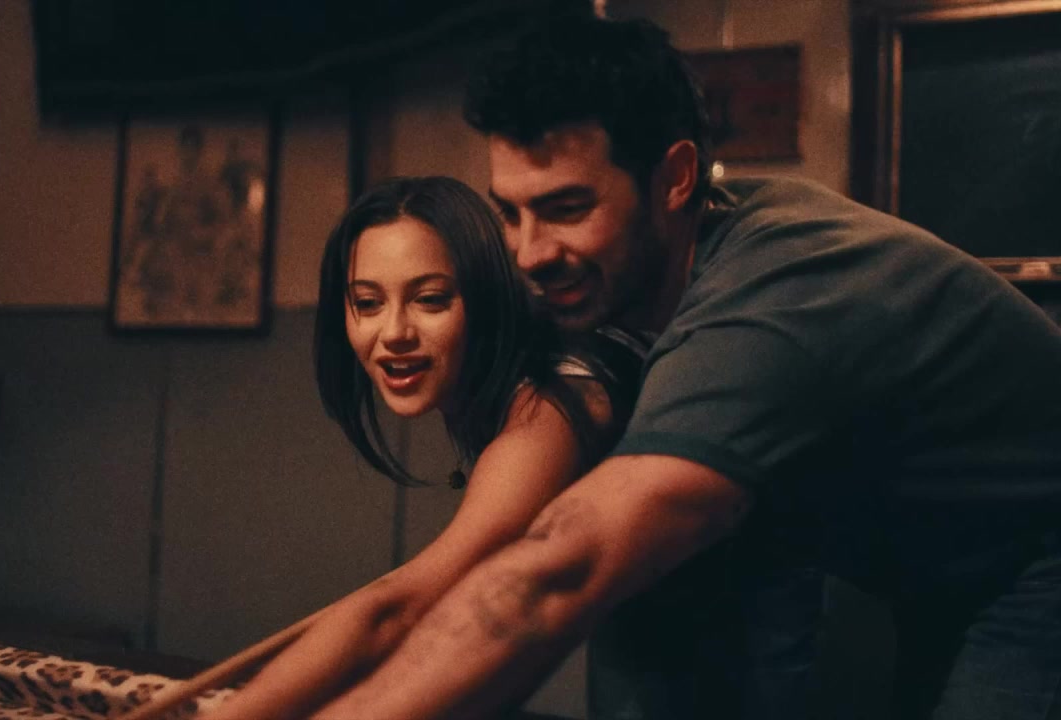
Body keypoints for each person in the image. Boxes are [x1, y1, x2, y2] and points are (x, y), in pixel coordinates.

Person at [307, 9, 1061, 720]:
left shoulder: (765, 299)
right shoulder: (666, 258)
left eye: (567, 208)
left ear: (674, 178)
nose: (529, 253)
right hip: (942, 578)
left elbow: (555, 577)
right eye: (510, 212)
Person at [208, 176, 650, 720]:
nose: (394, 331)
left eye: (431, 300)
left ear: (486, 300)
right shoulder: (502, 383)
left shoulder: (549, 415)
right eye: (367, 303)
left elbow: (402, 610)